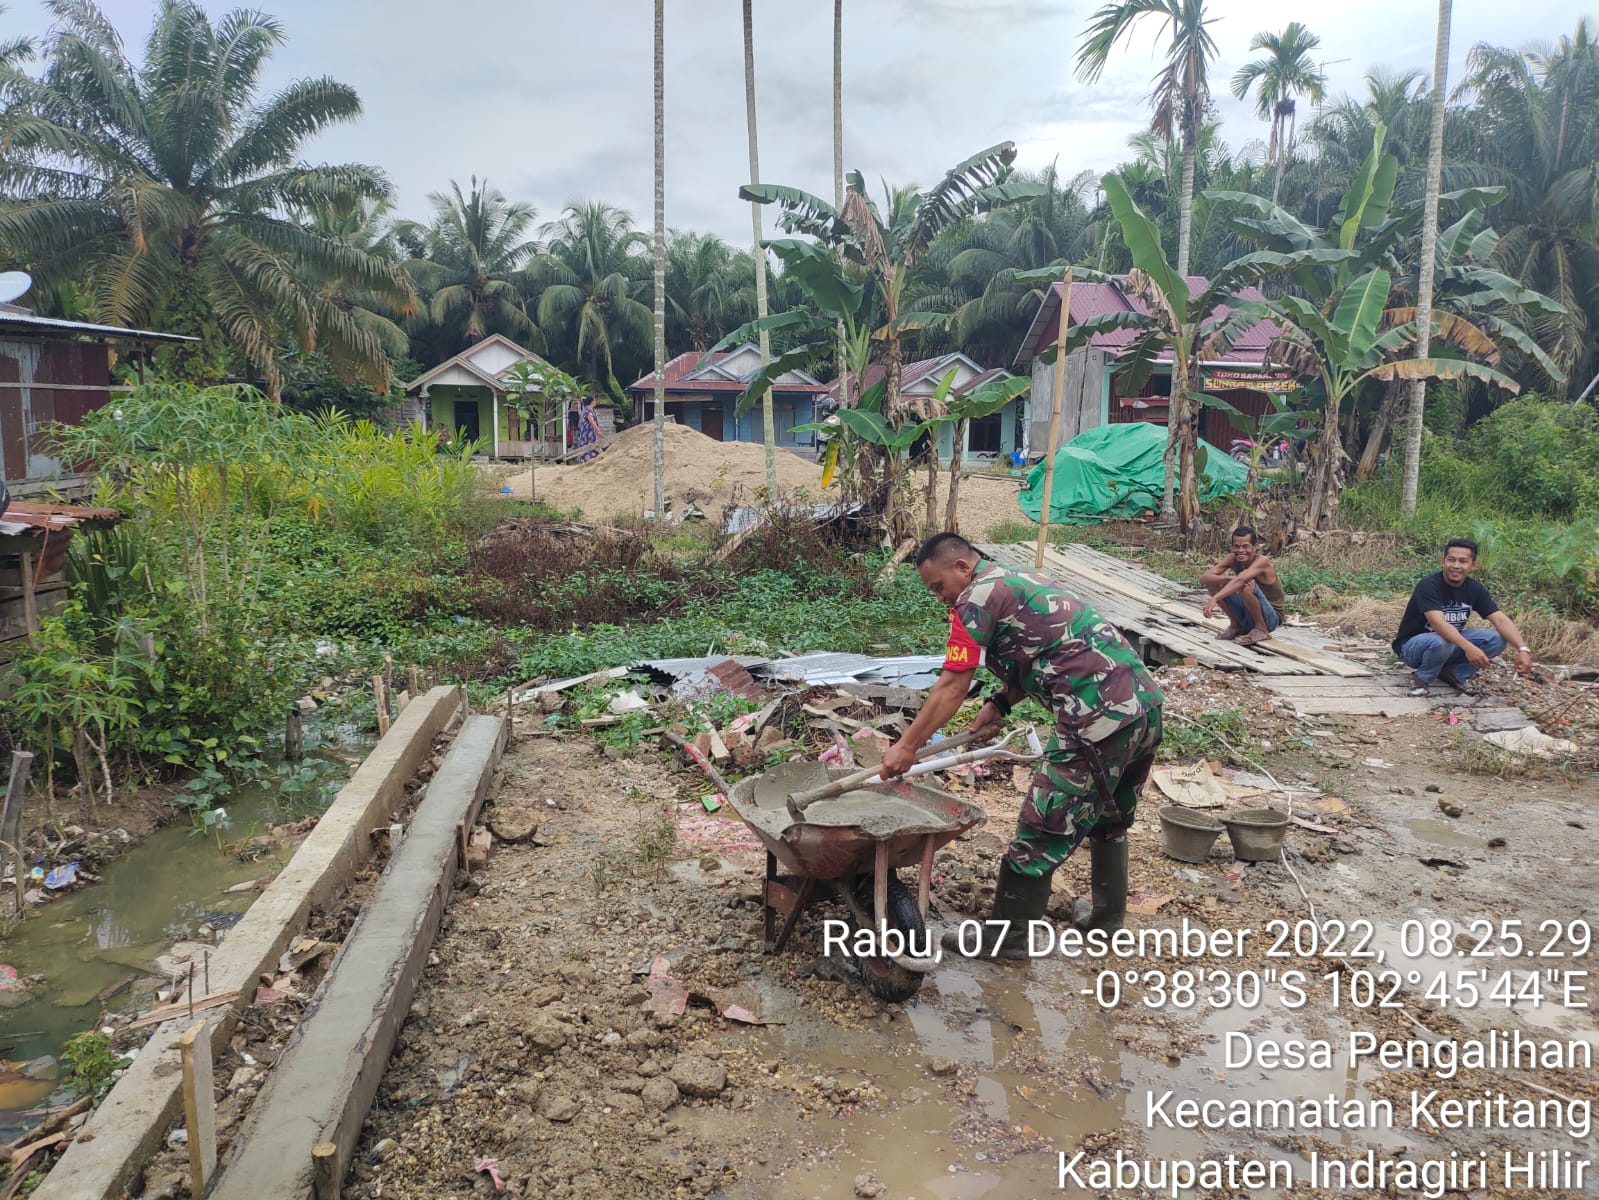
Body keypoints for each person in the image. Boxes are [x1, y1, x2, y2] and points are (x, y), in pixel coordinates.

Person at [879, 533, 1164, 959]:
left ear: (961, 567)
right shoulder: (1016, 578)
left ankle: (1007, 942)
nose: (941, 599)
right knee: (1109, 815)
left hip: (1095, 721)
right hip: (1142, 706)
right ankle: (1106, 920)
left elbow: (953, 685)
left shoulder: (974, 598)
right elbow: (1043, 651)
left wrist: (905, 746)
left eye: (939, 587)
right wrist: (999, 703)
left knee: (1039, 830)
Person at [1394, 539, 1533, 696]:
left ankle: (1454, 674)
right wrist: (1469, 648)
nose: (1456, 566)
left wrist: (1523, 649)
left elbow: (1500, 619)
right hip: (1413, 647)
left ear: (1473, 565)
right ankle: (1421, 678)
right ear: (1443, 561)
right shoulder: (1428, 585)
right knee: (1443, 639)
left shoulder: (1475, 589)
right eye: (1451, 560)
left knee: (1497, 639)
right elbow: (1437, 623)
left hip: (1447, 645)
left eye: (1463, 561)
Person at [1200, 526, 1287, 647]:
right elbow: (1205, 578)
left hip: (1271, 618)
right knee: (1215, 582)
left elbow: (1241, 579)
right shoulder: (1232, 558)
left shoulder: (1263, 561)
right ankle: (1236, 625)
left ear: (1255, 547)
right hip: (1247, 613)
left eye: (1245, 546)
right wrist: (1227, 579)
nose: (1240, 550)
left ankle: (1261, 628)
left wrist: (1215, 598)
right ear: (1232, 547)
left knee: (1246, 584)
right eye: (1236, 546)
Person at [572, 396, 603, 463]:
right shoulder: (588, 410)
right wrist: (598, 431)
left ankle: (593, 460)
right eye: (595, 401)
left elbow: (594, 421)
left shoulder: (591, 409)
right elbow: (591, 421)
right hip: (587, 432)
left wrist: (598, 430)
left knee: (592, 445)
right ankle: (586, 461)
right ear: (592, 402)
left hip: (591, 431)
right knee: (587, 445)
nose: (595, 402)